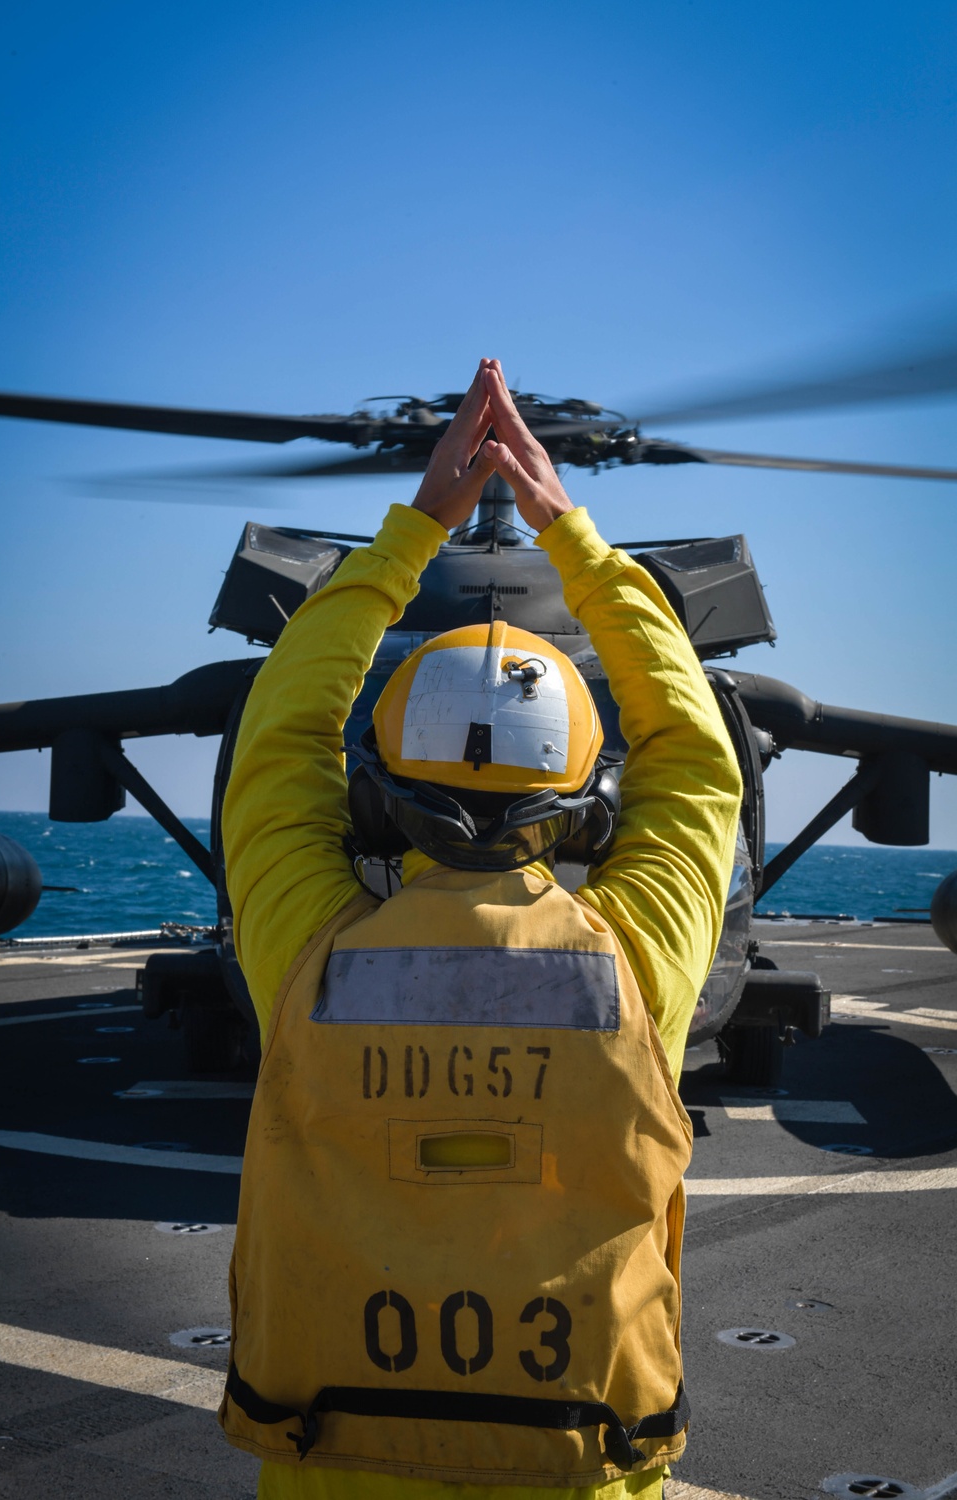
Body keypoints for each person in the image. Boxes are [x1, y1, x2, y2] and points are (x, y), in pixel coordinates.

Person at [219, 359, 742, 1500]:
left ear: (373, 795)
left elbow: (278, 743)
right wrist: (578, 542)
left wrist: (410, 535)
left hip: (332, 1465)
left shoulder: (306, 951)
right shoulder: (637, 964)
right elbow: (700, 767)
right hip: (580, 1469)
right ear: (585, 807)